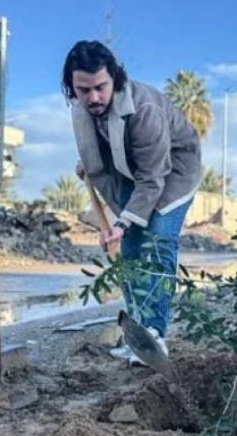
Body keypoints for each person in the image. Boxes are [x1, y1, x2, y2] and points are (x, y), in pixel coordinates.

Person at [62, 40, 202, 360]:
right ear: (72, 87)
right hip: (128, 170)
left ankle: (155, 333)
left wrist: (122, 222)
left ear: (115, 78)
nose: (93, 98)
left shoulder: (144, 108)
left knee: (157, 241)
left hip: (172, 171)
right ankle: (138, 332)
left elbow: (152, 179)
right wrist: (90, 161)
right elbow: (106, 135)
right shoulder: (83, 106)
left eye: (100, 87)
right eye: (84, 90)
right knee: (131, 250)